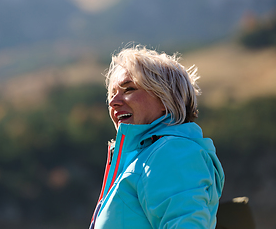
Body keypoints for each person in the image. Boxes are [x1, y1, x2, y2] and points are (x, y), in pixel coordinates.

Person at [89, 44, 225, 229]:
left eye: (128, 89)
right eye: (112, 94)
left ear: (165, 99)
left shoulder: (172, 152)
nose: (114, 102)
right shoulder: (145, 156)